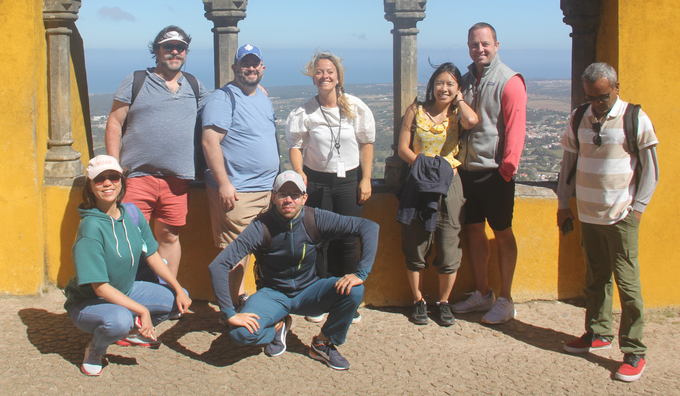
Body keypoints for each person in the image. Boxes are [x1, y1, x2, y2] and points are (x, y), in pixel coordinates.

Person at [208, 170, 379, 371]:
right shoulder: (261, 226)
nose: (288, 200)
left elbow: (368, 227)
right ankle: (277, 327)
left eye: (295, 195)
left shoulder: (315, 219)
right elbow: (219, 265)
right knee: (240, 335)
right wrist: (229, 313)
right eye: (282, 194)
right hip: (273, 294)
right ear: (274, 197)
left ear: (304, 198)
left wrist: (360, 273)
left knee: (354, 290)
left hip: (310, 291)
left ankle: (323, 343)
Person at [557, 62, 659, 383]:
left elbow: (651, 170)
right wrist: (563, 204)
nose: (597, 104)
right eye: (591, 97)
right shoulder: (578, 117)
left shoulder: (634, 118)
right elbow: (568, 165)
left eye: (602, 97)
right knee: (595, 277)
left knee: (627, 284)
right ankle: (598, 332)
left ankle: (634, 350)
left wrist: (638, 209)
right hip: (589, 214)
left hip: (622, 215)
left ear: (616, 87)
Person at [64, 155, 191, 376]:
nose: (107, 183)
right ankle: (96, 349)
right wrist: (141, 310)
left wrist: (179, 289)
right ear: (90, 186)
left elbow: (152, 255)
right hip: (89, 302)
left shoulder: (130, 214)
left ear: (122, 181)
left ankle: (130, 331)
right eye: (99, 179)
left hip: (126, 290)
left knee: (176, 300)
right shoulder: (90, 227)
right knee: (119, 320)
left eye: (113, 177)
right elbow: (100, 288)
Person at [105, 25, 208, 277]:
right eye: (168, 47)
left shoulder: (194, 85)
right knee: (129, 236)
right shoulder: (136, 80)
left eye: (180, 48)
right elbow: (115, 122)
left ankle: (167, 295)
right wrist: (112, 166)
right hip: (137, 177)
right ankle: (130, 295)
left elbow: (218, 111)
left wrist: (249, 91)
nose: (175, 52)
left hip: (177, 180)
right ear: (156, 51)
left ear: (186, 52)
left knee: (169, 237)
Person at [285, 51, 375, 323]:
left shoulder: (355, 107)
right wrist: (299, 172)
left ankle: (347, 301)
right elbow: (296, 145)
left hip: (349, 179)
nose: (325, 76)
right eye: (320, 72)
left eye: (330, 72)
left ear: (338, 77)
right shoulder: (304, 111)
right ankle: (321, 299)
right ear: (313, 78)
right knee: (318, 239)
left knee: (348, 240)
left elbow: (366, 143)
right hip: (317, 180)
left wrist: (366, 178)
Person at [452, 22, 527, 324]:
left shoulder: (509, 81)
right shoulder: (466, 79)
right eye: (473, 44)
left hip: (495, 172)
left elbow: (516, 127)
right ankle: (483, 292)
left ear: (496, 45)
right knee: (473, 230)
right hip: (467, 171)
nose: (479, 49)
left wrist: (506, 170)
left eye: (484, 44)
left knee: (502, 232)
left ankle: (506, 299)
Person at [396, 63, 479, 326]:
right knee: (415, 240)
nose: (444, 88)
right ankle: (418, 300)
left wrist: (461, 99)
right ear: (432, 85)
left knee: (447, 240)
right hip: (419, 182)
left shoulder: (457, 114)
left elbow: (473, 121)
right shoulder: (415, 110)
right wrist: (425, 168)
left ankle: (443, 302)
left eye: (451, 84)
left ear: (458, 89)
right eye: (440, 83)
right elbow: (403, 148)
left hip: (450, 184)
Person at [202, 44, 280, 310]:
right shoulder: (223, 98)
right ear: (235, 68)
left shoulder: (262, 96)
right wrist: (224, 183)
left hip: (266, 190)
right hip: (239, 191)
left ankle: (242, 298)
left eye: (255, 64)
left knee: (250, 251)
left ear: (262, 68)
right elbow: (210, 142)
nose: (250, 68)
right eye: (244, 64)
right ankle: (231, 310)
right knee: (234, 254)